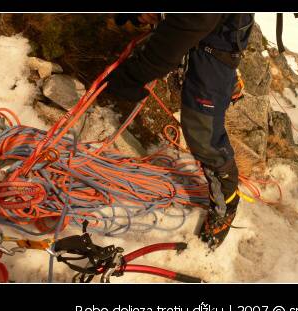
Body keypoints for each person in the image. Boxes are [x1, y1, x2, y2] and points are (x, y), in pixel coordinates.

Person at [106, 13, 255, 249]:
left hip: (214, 42)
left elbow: (190, 24)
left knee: (203, 135)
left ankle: (227, 204)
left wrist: (134, 75)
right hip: (209, 30)